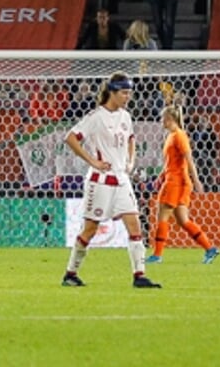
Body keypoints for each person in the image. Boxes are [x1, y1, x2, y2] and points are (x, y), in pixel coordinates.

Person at [61, 73, 161, 288]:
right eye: (124, 93)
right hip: (100, 181)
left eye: (129, 93)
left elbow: (131, 139)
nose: (128, 97)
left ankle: (139, 275)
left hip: (122, 180)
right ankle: (70, 273)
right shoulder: (96, 117)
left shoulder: (125, 116)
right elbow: (71, 137)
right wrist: (92, 161)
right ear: (112, 93)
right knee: (90, 229)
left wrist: (131, 162)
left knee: (135, 226)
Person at [147, 106, 220, 263]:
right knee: (182, 220)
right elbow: (170, 162)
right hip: (176, 180)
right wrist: (160, 176)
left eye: (162, 118)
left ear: (169, 119)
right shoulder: (171, 136)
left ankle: (157, 255)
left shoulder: (179, 136)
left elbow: (189, 159)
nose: (161, 121)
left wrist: (197, 180)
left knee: (162, 216)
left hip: (176, 182)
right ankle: (210, 249)